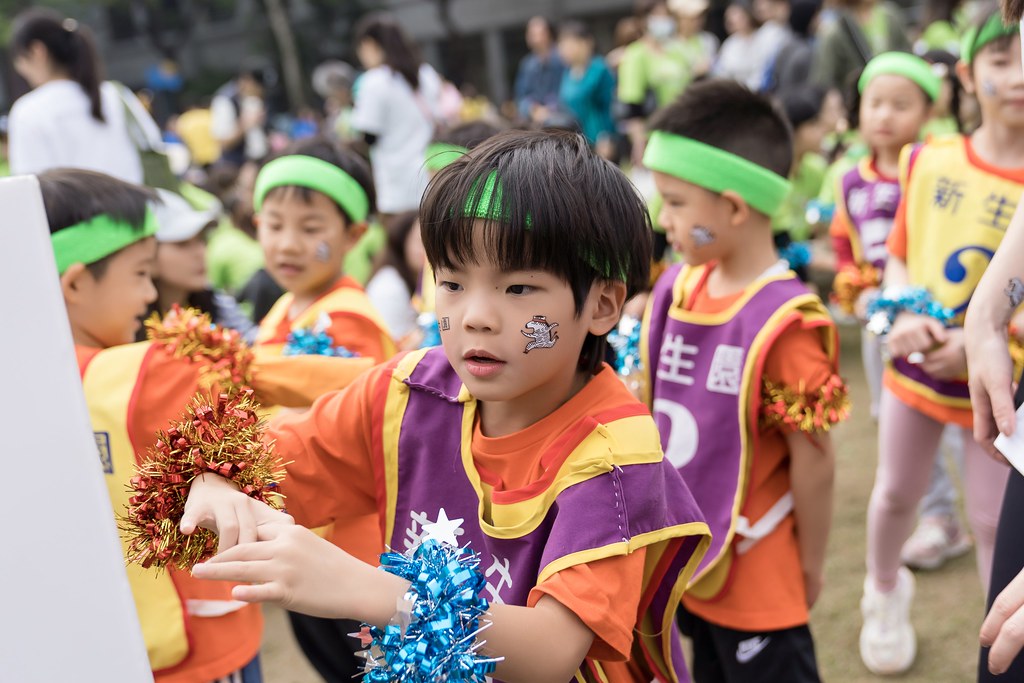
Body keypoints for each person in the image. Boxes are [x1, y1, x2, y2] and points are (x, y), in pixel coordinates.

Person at [172, 129, 712, 682]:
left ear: (601, 305)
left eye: (518, 288)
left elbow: (551, 651)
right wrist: (212, 478)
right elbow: (271, 461)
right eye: (452, 282)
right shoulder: (405, 393)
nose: (476, 314)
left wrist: (364, 589)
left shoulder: (615, 452)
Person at [642, 80, 849, 683]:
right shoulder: (676, 288)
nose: (663, 219)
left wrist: (809, 565)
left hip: (759, 575)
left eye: (677, 203)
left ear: (733, 207)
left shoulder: (783, 323)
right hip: (687, 563)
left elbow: (815, 462)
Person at [40, 168, 264, 683]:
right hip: (201, 642)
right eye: (141, 273)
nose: (149, 295)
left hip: (83, 645)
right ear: (75, 282)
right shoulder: (149, 370)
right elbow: (258, 449)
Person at [858, 9, 1020, 674]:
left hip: (1001, 392)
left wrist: (987, 340)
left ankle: (994, 636)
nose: (1017, 77)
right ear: (966, 74)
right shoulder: (928, 159)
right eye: (1001, 60)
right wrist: (900, 318)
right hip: (916, 374)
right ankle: (883, 591)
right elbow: (898, 256)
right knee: (895, 492)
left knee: (993, 521)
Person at [8, 9, 149, 183]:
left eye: (19, 59)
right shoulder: (116, 95)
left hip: (75, 211)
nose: (20, 69)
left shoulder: (28, 112)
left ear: (37, 51)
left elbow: (30, 191)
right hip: (136, 207)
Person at [350, 12, 441, 217]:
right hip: (429, 177)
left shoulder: (374, 81)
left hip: (395, 187)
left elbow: (368, 136)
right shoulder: (427, 74)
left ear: (370, 44)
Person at [144, 189, 256, 341]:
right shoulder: (131, 322)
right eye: (182, 243)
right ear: (147, 254)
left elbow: (254, 341)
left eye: (201, 239)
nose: (200, 252)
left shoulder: (217, 303)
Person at [619, 0, 701, 165]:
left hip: (685, 132)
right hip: (655, 138)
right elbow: (632, 106)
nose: (663, 20)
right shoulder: (636, 54)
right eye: (658, 15)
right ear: (644, 20)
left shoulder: (677, 50)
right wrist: (639, 144)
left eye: (666, 15)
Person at [772, 85, 830, 280]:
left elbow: (821, 223)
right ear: (792, 129)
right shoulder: (773, 174)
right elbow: (779, 239)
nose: (822, 131)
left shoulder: (816, 169)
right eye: (813, 124)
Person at [811, 0, 912, 93]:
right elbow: (823, 80)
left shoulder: (890, 16)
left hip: (892, 93)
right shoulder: (837, 30)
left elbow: (907, 56)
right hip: (856, 101)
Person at [557, 21, 617, 152]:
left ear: (586, 43)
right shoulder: (567, 73)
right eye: (562, 44)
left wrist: (607, 137)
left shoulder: (599, 69)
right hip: (576, 144)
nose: (564, 49)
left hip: (599, 143)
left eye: (569, 44)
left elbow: (610, 106)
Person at [364, 210, 423, 344]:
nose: (428, 250)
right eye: (421, 242)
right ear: (403, 243)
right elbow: (392, 345)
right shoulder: (389, 287)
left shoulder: (418, 281)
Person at [210, 67, 270, 168]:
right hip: (236, 167)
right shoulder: (225, 101)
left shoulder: (251, 99)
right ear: (247, 81)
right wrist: (246, 124)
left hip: (259, 160)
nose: (262, 92)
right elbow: (224, 143)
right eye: (259, 87)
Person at [513, 16, 566, 124]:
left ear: (549, 34)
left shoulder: (563, 58)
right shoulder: (527, 64)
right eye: (532, 35)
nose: (537, 39)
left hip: (560, 116)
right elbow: (521, 96)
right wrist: (531, 109)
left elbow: (567, 90)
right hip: (535, 118)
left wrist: (550, 109)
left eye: (540, 34)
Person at [765, 0, 823, 93]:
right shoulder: (805, 53)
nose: (820, 20)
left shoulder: (785, 46)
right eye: (816, 16)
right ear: (807, 18)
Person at [713, 2, 765, 88]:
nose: (731, 20)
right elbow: (722, 71)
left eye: (735, 15)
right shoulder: (730, 43)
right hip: (733, 90)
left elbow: (761, 72)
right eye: (728, 17)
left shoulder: (763, 37)